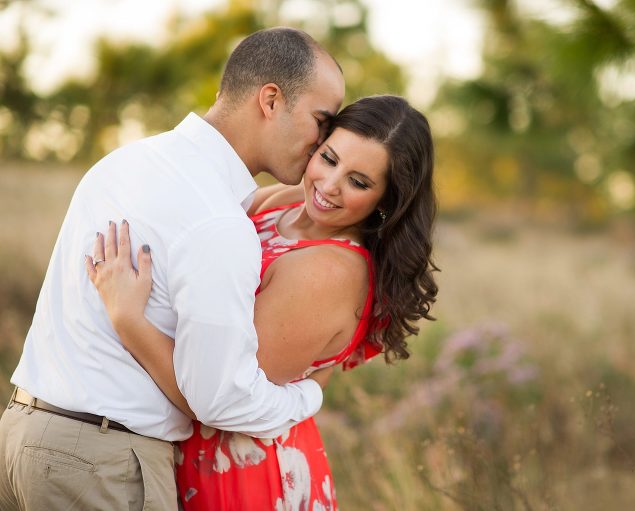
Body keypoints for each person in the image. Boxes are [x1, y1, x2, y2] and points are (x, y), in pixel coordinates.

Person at [0, 27, 345, 510]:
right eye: (321, 120)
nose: (322, 141)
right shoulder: (217, 220)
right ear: (270, 100)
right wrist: (309, 396)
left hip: (22, 434)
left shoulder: (127, 161)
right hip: (103, 463)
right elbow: (221, 400)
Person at [85, 95, 439, 510]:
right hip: (180, 450)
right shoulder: (285, 201)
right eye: (328, 158)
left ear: (386, 201)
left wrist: (129, 318)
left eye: (358, 182)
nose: (329, 185)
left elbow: (217, 398)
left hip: (240, 472)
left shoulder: (331, 271)